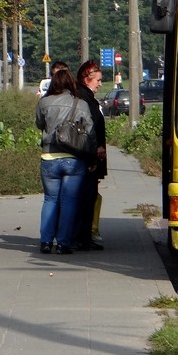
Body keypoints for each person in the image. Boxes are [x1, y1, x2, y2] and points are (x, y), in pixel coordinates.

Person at [35, 68, 95, 254]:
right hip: (74, 160)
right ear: (71, 83)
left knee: (50, 200)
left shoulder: (44, 102)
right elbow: (90, 133)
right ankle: (63, 244)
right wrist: (92, 157)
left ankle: (45, 242)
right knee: (69, 202)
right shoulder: (81, 104)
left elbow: (39, 124)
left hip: (49, 158)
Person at [74, 59, 107, 251]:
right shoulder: (84, 99)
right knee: (86, 197)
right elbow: (89, 129)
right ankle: (83, 237)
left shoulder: (85, 97)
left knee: (88, 196)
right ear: (87, 79)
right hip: (88, 155)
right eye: (98, 80)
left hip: (89, 154)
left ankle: (84, 236)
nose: (100, 84)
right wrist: (94, 154)